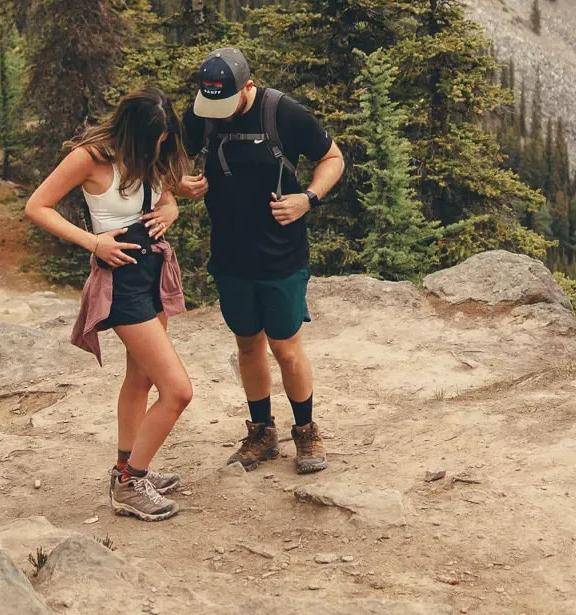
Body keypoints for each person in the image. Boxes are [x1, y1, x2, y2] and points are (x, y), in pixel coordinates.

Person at [25, 89, 192, 521]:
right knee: (178, 391)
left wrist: (171, 210)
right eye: (155, 141)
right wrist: (93, 242)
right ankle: (129, 483)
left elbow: (165, 196)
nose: (161, 148)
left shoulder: (152, 152)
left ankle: (128, 466)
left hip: (151, 274)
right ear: (133, 134)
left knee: (141, 381)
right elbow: (37, 206)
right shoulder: (90, 158)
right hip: (121, 283)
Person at [178, 46, 344, 473]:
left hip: (281, 255)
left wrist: (307, 199)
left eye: (228, 103)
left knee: (286, 347)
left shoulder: (283, 112)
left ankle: (306, 432)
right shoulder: (203, 112)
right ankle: (261, 431)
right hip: (230, 254)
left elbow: (333, 157)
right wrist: (179, 181)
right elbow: (174, 156)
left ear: (248, 87)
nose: (220, 113)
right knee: (247, 344)